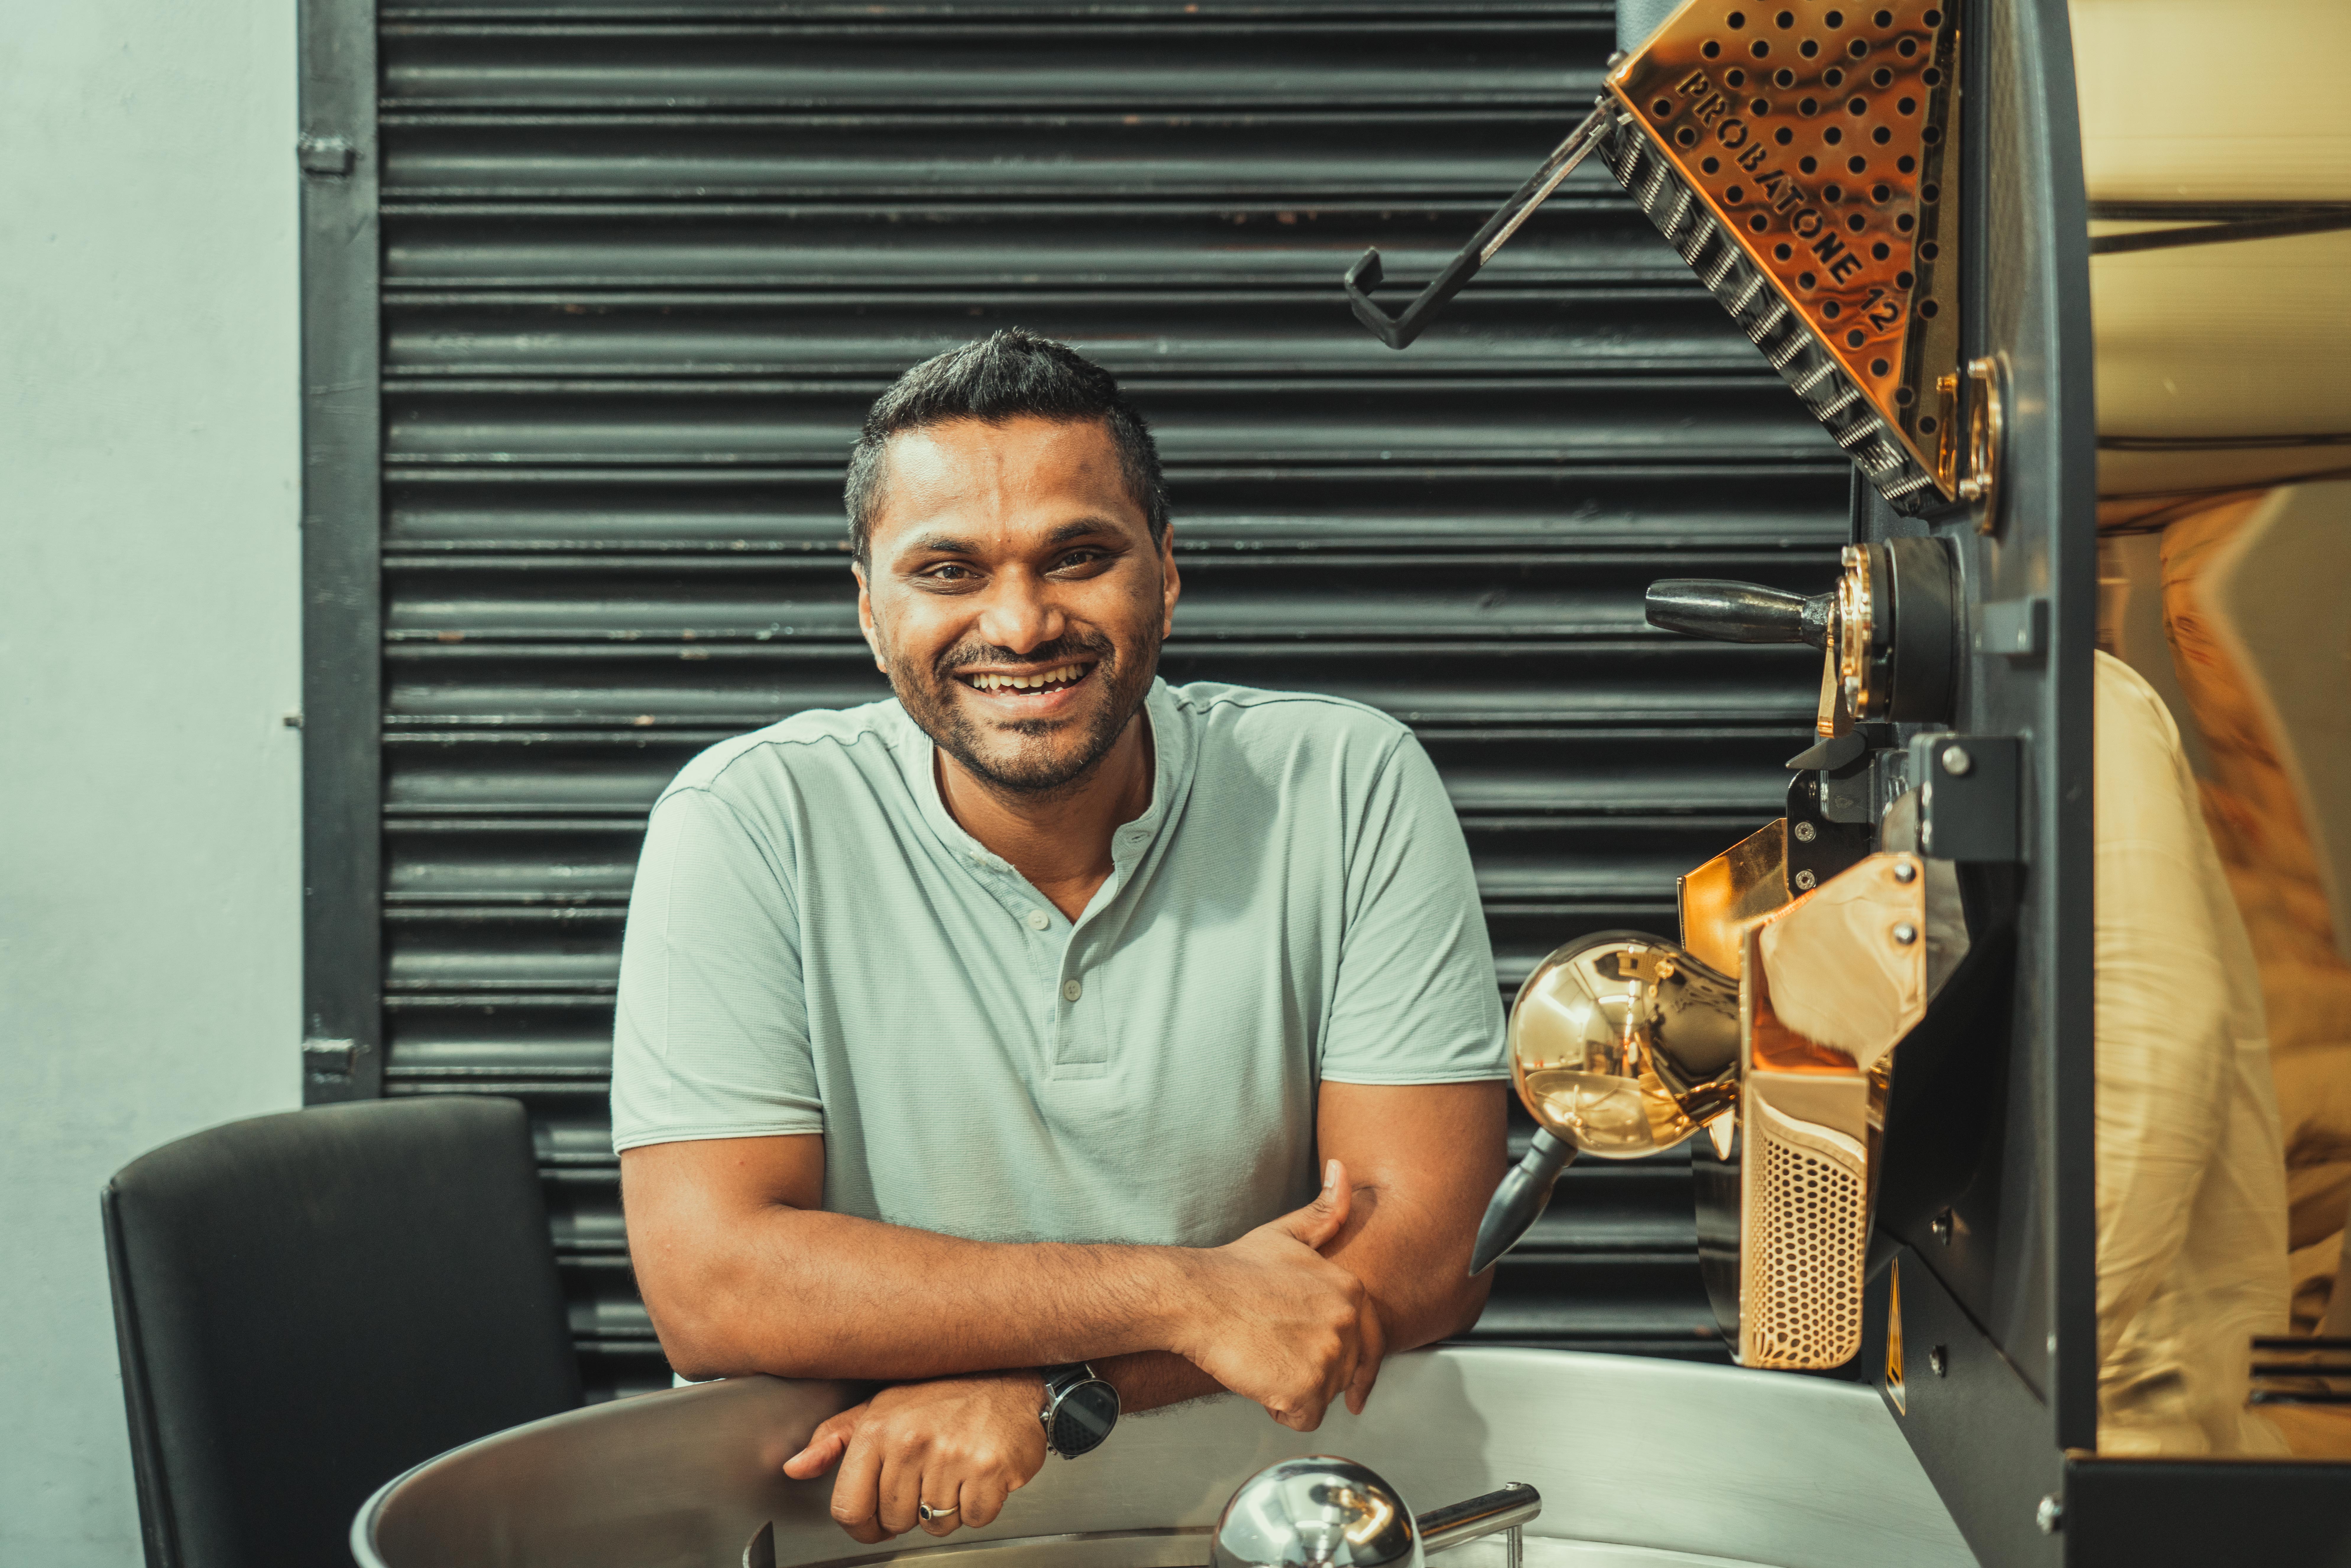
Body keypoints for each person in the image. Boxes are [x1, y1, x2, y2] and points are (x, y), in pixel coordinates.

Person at [610, 329, 1510, 1544]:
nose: (1022, 624)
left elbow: (1426, 1254)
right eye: (948, 572)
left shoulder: (1343, 783)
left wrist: (1054, 1394)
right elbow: (715, 1287)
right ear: (869, 606)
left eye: (1077, 556)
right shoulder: (745, 822)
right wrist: (1187, 1297)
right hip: (854, 1530)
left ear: (1166, 574)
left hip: (1252, 1524)